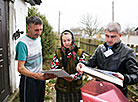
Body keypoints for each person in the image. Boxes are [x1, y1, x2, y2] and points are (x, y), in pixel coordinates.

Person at [76, 22, 138, 97]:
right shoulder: (100, 49)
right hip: (100, 92)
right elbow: (91, 63)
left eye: (113, 37)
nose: (109, 40)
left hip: (117, 94)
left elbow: (135, 75)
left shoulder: (128, 52)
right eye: (107, 36)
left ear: (120, 35)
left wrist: (124, 78)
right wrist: (82, 64)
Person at [15, 16, 55, 102]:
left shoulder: (38, 38)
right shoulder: (22, 44)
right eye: (36, 30)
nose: (39, 33)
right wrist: (36, 76)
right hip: (29, 81)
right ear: (28, 28)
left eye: (41, 29)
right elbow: (20, 68)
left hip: (40, 78)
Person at [51, 30, 86, 102]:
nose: (67, 43)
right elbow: (54, 68)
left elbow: (83, 69)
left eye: (69, 40)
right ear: (61, 41)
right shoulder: (58, 53)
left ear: (72, 40)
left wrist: (75, 76)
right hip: (62, 87)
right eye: (64, 41)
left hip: (76, 87)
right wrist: (62, 75)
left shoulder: (79, 53)